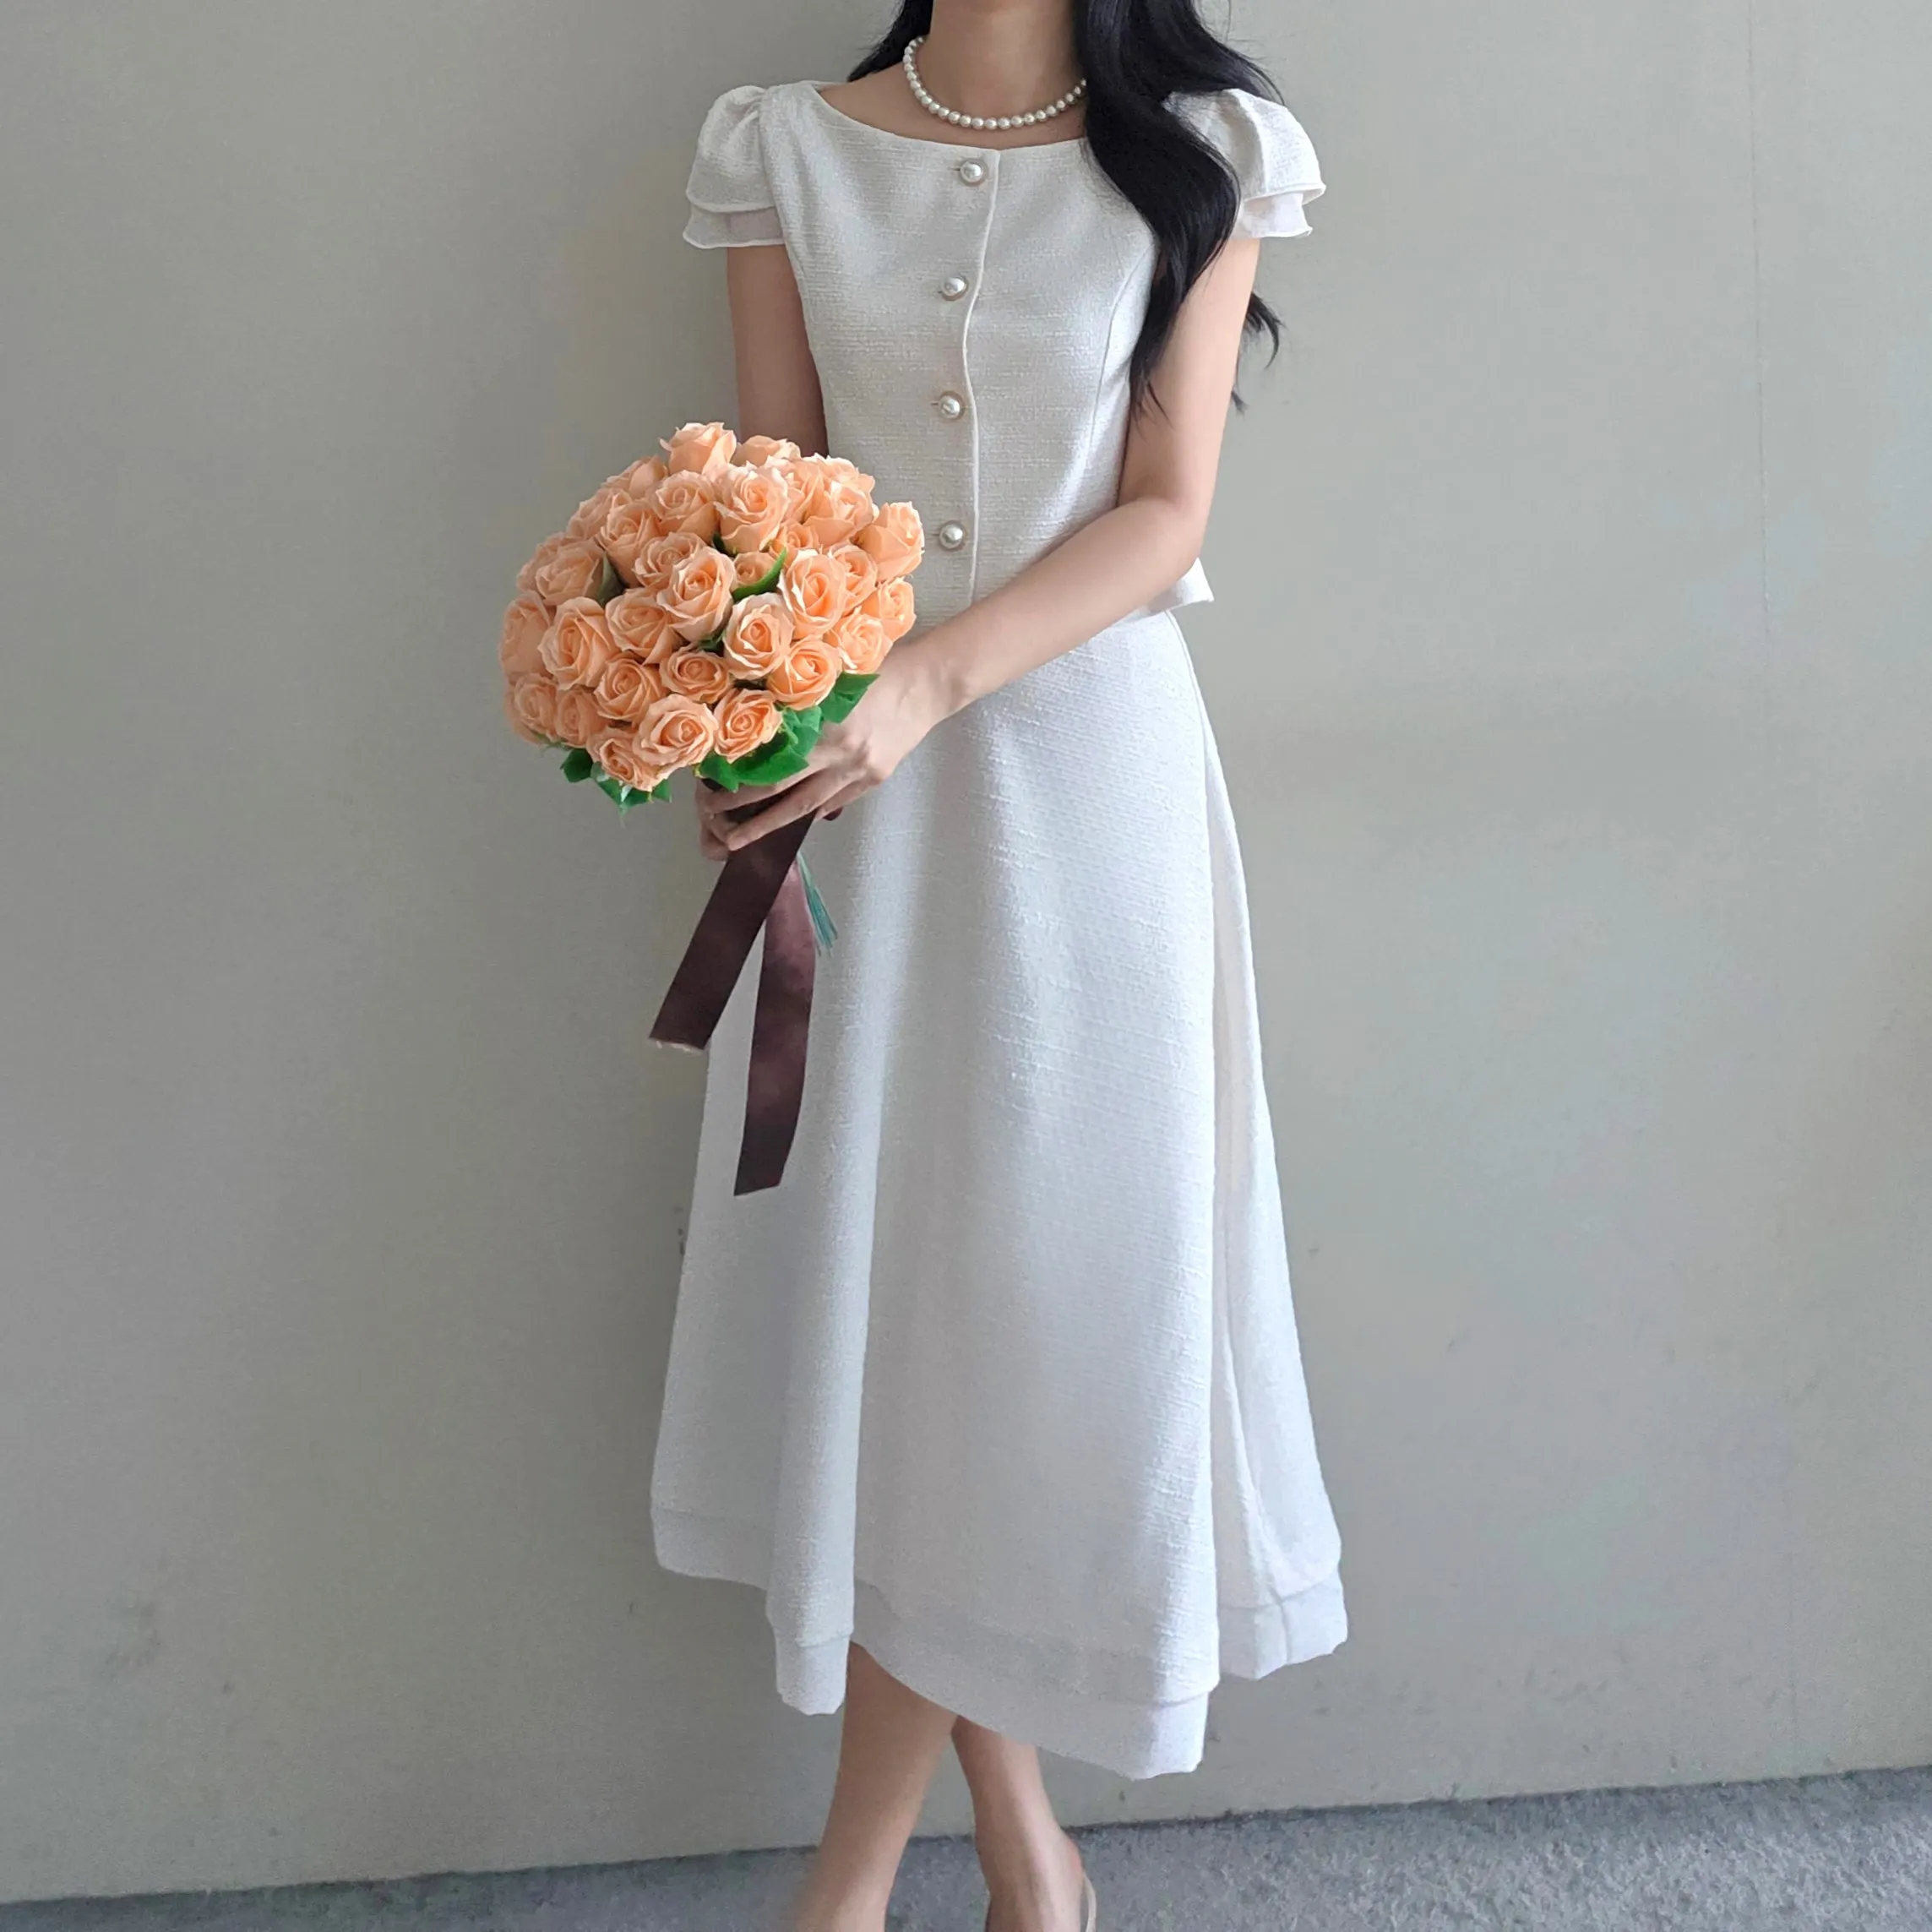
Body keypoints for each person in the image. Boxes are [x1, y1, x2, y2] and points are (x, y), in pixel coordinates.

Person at [653, 4, 1345, 1927]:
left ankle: (850, 1882)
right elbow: (775, 507)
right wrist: (734, 720)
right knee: (906, 1317)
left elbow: (1165, 514)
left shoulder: (1207, 152)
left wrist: (925, 685)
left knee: (1045, 1307)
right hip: (860, 811)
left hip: (1089, 799)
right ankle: (1015, 1841)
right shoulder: (784, 149)